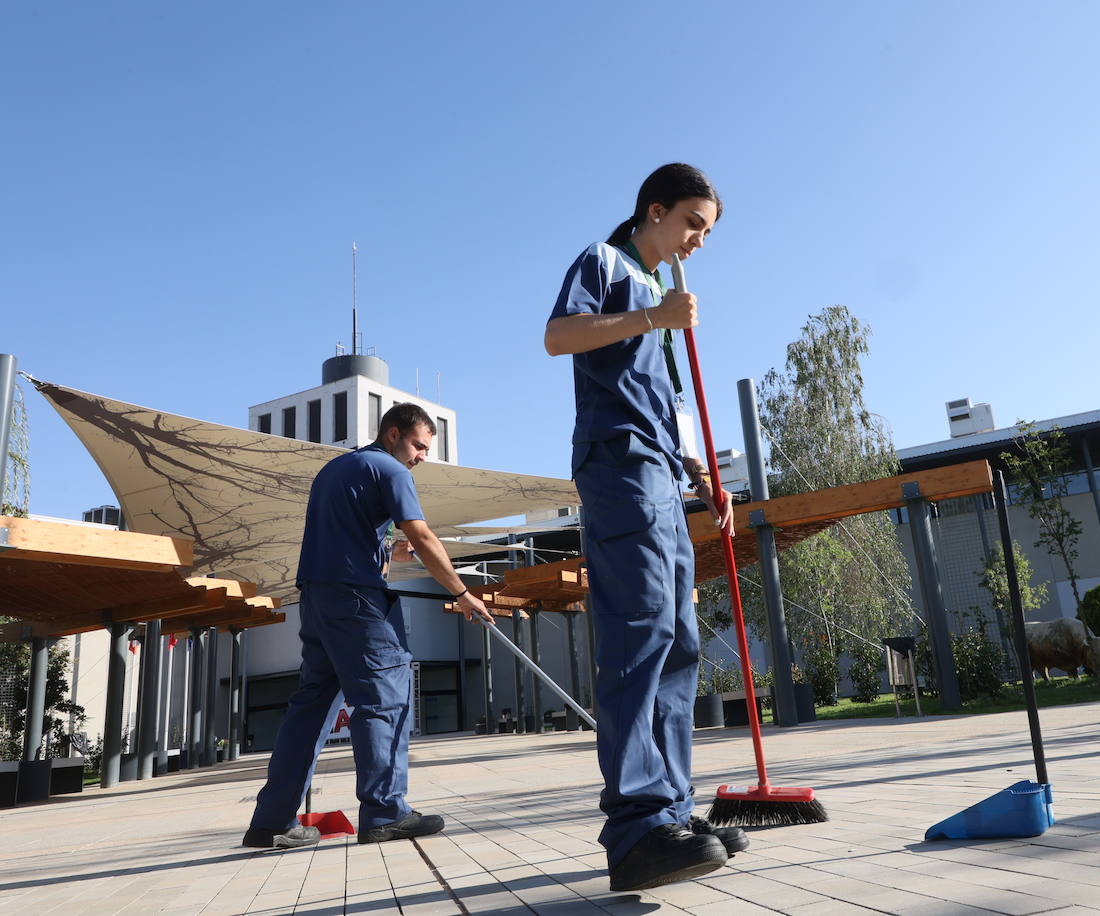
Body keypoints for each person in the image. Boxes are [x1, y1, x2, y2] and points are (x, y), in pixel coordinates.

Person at [544, 163, 747, 892]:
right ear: (653, 210)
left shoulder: (664, 296)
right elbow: (558, 336)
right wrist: (652, 319)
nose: (698, 239)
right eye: (692, 222)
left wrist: (704, 478)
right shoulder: (606, 264)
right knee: (639, 632)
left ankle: (673, 811)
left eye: (707, 230)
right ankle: (635, 826)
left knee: (679, 639)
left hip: (663, 474)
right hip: (619, 463)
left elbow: (665, 399)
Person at [242, 403, 492, 849]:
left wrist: (385, 554)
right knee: (383, 700)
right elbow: (422, 535)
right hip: (359, 602)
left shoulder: (335, 470)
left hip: (318, 598)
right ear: (393, 434)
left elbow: (345, 537)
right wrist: (461, 592)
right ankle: (385, 812)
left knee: (309, 710)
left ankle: (271, 821)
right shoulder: (392, 471)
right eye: (418, 445)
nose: (421, 456)